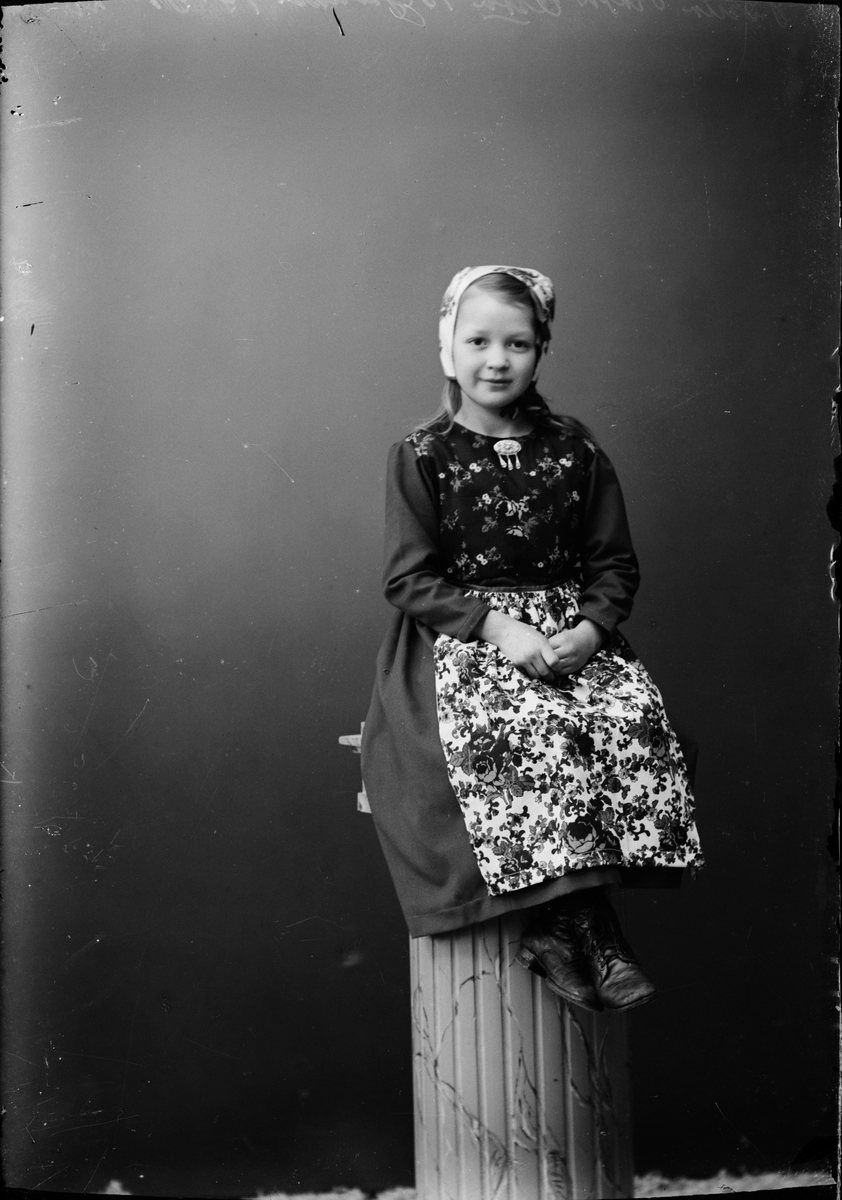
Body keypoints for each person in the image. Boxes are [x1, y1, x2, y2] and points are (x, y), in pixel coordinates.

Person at [360, 265, 704, 1013]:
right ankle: (584, 931)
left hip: (567, 638)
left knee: (625, 719)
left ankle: (565, 929)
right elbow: (408, 577)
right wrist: (496, 626)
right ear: (447, 349)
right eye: (478, 341)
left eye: (517, 344)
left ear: (541, 350)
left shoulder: (576, 452)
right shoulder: (422, 454)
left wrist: (592, 629)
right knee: (529, 729)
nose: (497, 360)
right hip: (460, 642)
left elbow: (613, 563)